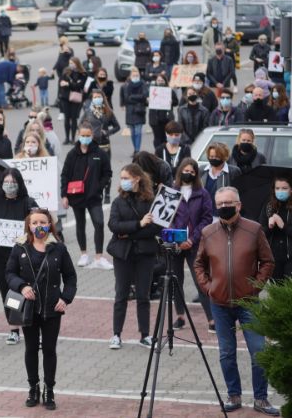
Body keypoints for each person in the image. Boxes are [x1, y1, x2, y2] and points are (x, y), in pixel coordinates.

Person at [193, 187, 279, 416]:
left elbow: (268, 261)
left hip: (249, 303)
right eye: (220, 203)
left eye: (228, 202)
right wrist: (208, 287)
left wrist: (255, 286)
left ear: (239, 205)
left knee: (259, 352)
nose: (224, 207)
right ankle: (234, 395)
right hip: (219, 304)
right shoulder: (208, 232)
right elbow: (198, 264)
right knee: (226, 353)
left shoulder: (254, 229)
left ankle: (261, 399)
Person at [6, 207, 76, 410]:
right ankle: (33, 387)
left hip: (52, 308)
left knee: (49, 349)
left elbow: (71, 277)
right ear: (29, 225)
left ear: (49, 225)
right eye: (35, 223)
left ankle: (49, 390)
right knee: (30, 348)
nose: (39, 226)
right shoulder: (20, 247)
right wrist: (23, 286)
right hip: (28, 308)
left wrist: (65, 298)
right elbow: (9, 273)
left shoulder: (58, 248)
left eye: (43, 222)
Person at [107, 163, 162, 349]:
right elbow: (114, 226)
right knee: (121, 294)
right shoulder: (118, 201)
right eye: (121, 178)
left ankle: (145, 335)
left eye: (126, 178)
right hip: (123, 254)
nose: (123, 182)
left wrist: (128, 232)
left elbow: (155, 228)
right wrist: (139, 225)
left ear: (137, 178)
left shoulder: (150, 201)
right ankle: (116, 334)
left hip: (145, 253)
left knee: (143, 295)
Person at [0, 169, 38, 345]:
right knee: (7, 292)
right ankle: (14, 328)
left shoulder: (28, 204)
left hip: (22, 257)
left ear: (19, 184)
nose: (10, 185)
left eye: (13, 182)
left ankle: (32, 325)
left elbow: (37, 227)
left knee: (26, 291)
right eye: (6, 182)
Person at [170, 158, 214, 331]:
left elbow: (206, 218)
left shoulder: (202, 193)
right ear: (180, 171)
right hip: (175, 244)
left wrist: (192, 239)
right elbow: (166, 218)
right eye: (185, 170)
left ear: (196, 174)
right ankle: (180, 316)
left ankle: (211, 319)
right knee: (176, 280)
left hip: (194, 244)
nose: (188, 173)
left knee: (200, 281)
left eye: (192, 171)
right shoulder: (172, 192)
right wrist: (178, 238)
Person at [61, 122, 112, 269]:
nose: (85, 138)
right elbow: (65, 175)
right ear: (78, 135)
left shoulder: (99, 153)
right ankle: (83, 254)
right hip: (76, 196)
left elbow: (107, 173)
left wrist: (99, 187)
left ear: (92, 135)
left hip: (94, 196)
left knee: (99, 223)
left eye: (87, 135)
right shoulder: (72, 154)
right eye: (82, 135)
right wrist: (64, 195)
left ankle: (99, 256)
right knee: (80, 224)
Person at [259, 177, 292, 282]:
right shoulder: (269, 207)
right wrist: (270, 227)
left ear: (291, 189)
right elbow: (261, 234)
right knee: (276, 290)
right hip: (274, 256)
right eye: (277, 188)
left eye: (284, 188)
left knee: (291, 290)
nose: (280, 191)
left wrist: (283, 226)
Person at [79, 89, 119, 203]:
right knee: (92, 169)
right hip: (92, 144)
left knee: (106, 169)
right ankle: (96, 192)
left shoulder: (108, 112)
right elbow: (80, 124)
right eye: (95, 97)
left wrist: (107, 132)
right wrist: (86, 133)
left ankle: (107, 194)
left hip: (105, 144)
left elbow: (117, 126)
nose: (97, 99)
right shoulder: (88, 112)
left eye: (98, 96)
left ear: (102, 98)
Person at [201, 142, 241, 217]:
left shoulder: (233, 172)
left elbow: (238, 194)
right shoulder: (202, 170)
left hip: (223, 215)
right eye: (211, 156)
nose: (213, 159)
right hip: (204, 215)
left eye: (217, 157)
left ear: (224, 157)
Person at [120, 67, 149, 155]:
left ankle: (137, 150)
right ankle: (135, 148)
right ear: (130, 76)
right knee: (132, 132)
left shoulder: (143, 84)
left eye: (137, 75)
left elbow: (144, 96)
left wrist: (132, 97)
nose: (135, 76)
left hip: (139, 110)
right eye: (134, 75)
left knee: (138, 131)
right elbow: (124, 96)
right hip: (129, 110)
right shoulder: (126, 85)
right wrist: (122, 104)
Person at [58, 58, 86, 145]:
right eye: (70, 63)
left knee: (74, 118)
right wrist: (68, 85)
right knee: (67, 118)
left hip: (76, 98)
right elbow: (61, 83)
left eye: (73, 63)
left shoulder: (82, 74)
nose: (71, 65)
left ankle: (73, 138)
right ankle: (67, 138)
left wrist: (69, 84)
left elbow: (79, 86)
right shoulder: (66, 72)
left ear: (77, 63)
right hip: (65, 98)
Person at [148, 74, 178, 148]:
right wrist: (147, 100)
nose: (160, 82)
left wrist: (172, 102)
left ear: (165, 81)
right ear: (156, 81)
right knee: (157, 137)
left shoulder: (169, 91)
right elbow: (144, 101)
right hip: (155, 118)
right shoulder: (152, 91)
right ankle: (158, 153)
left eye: (162, 80)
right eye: (158, 80)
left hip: (166, 118)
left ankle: (166, 151)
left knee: (166, 137)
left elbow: (176, 102)